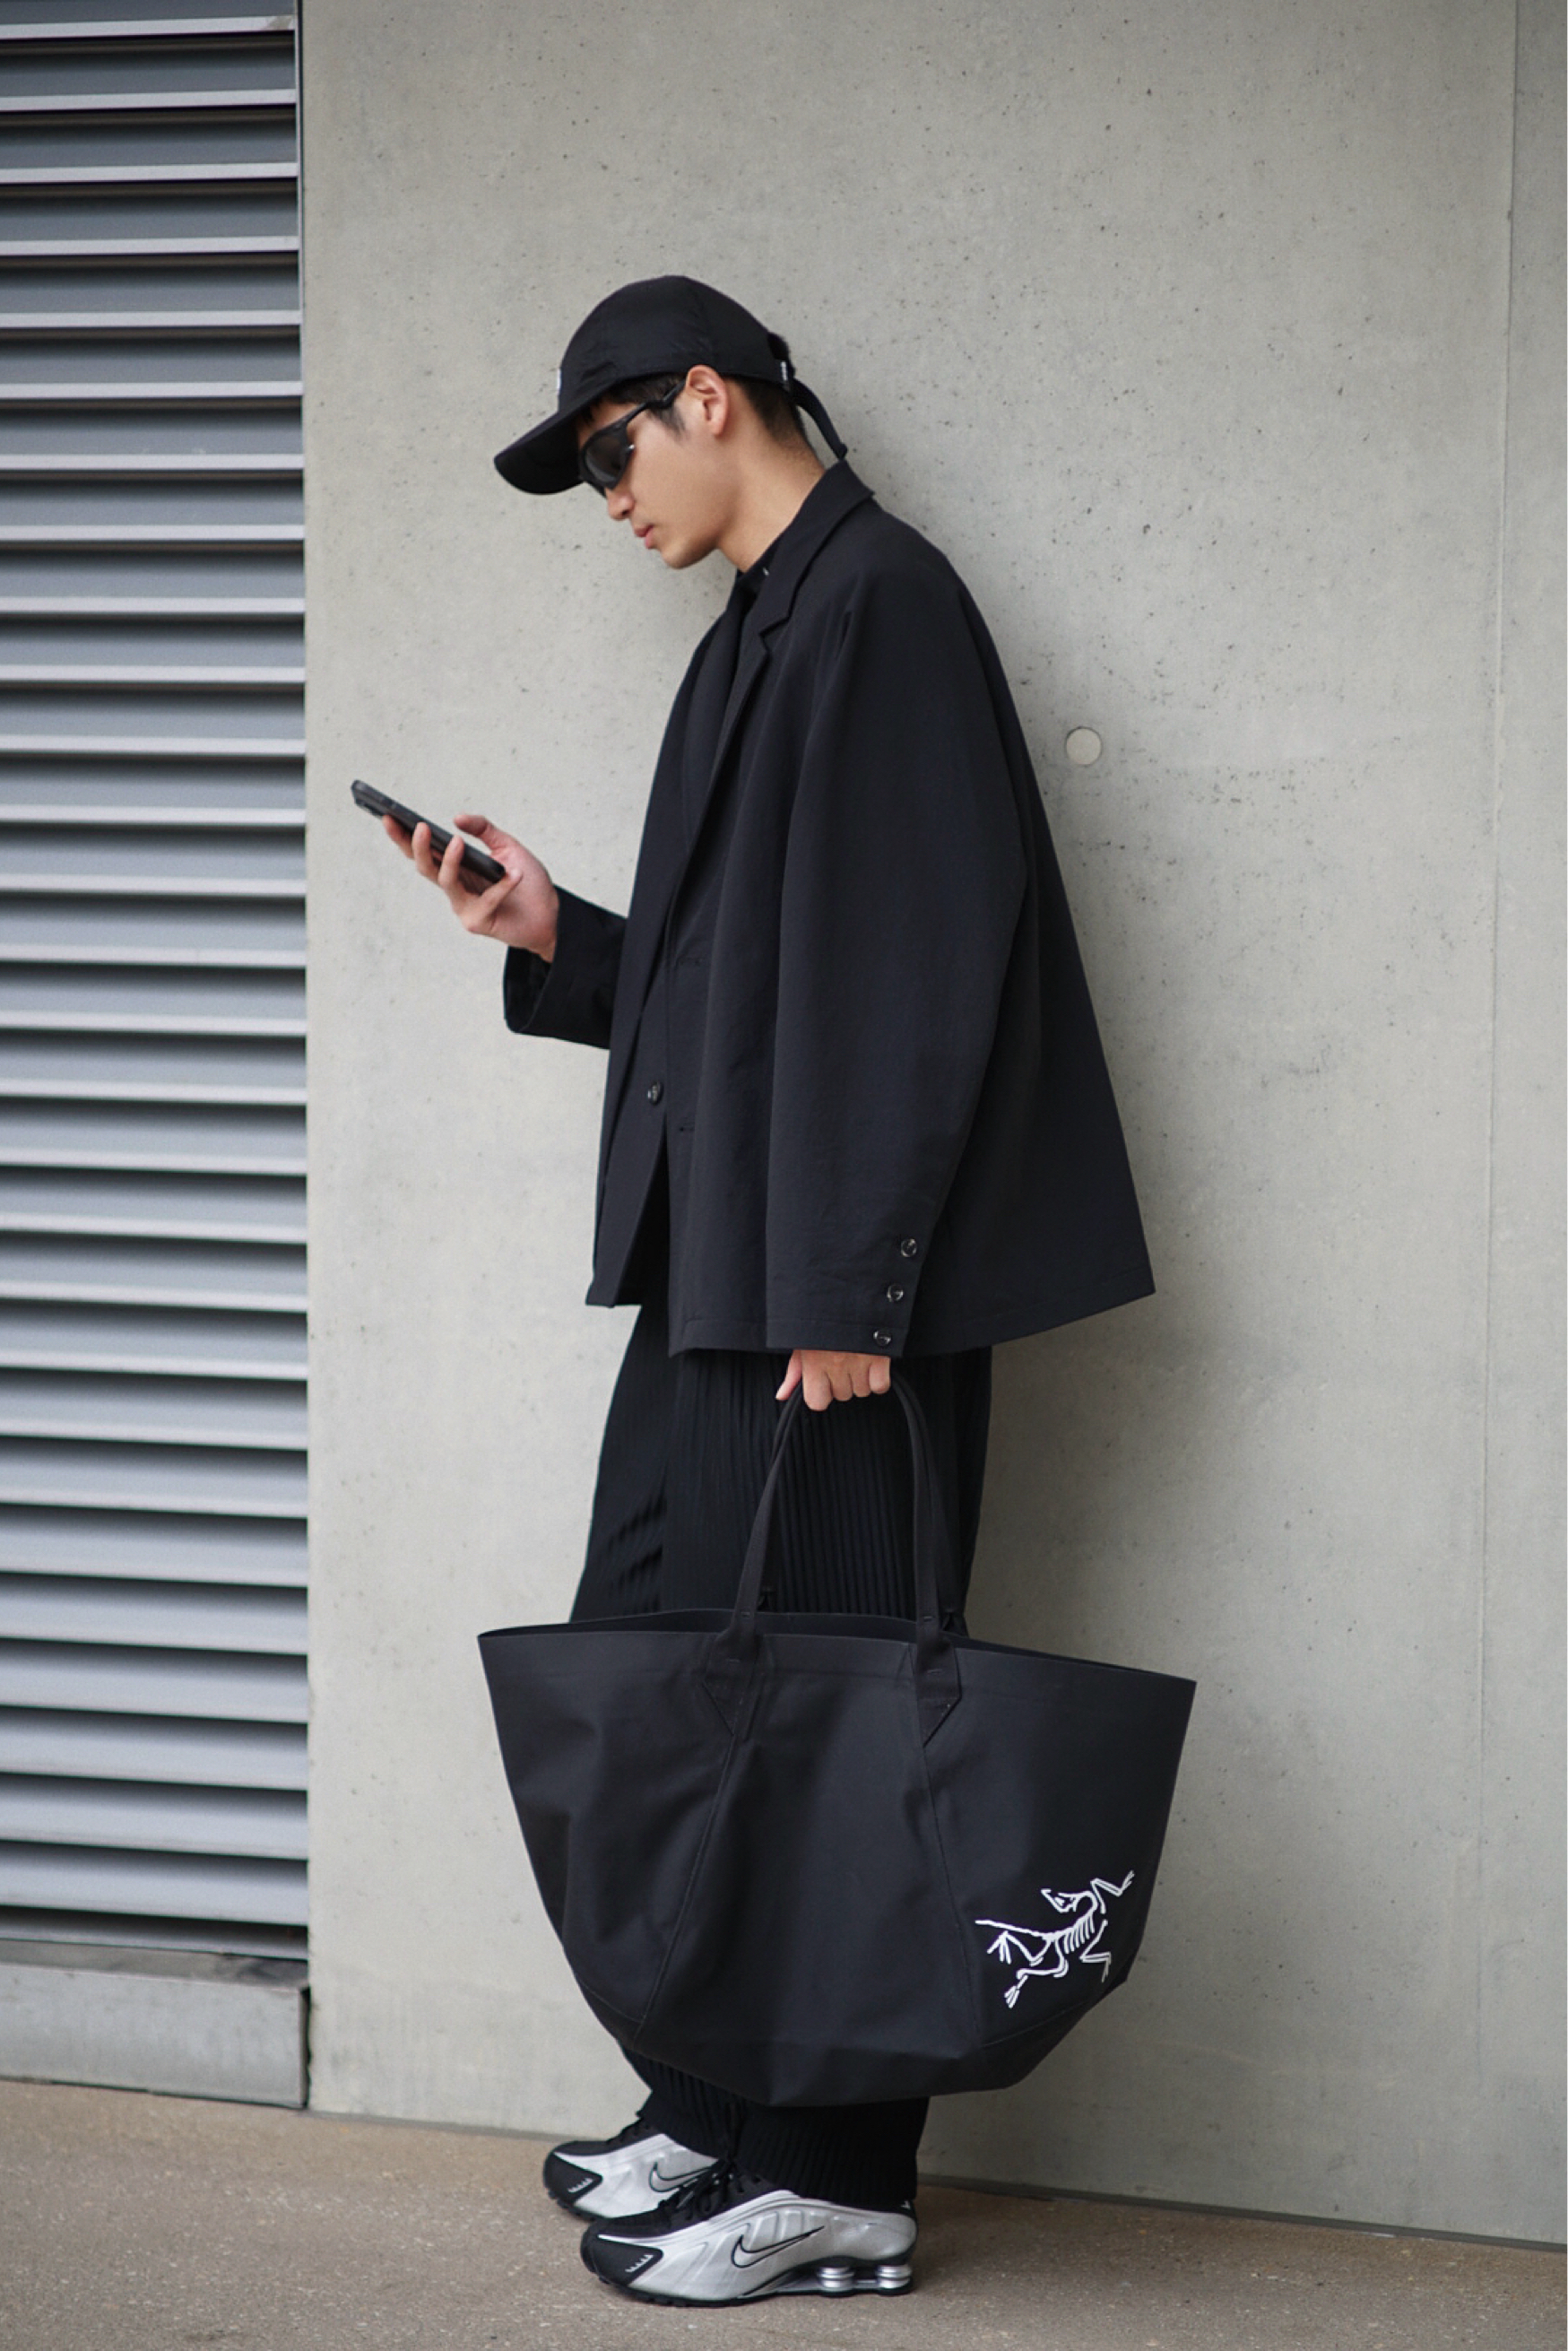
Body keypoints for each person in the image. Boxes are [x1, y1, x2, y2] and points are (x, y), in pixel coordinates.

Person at [386, 274, 1153, 2307]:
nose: (607, 498)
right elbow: (746, 986)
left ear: (708, 396)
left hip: (826, 1301)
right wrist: (559, 935)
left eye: (610, 451)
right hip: (728, 1273)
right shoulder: (765, 628)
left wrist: (852, 1291)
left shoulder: (883, 607)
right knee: (685, 1676)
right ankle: (718, 2098)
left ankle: (833, 2176)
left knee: (822, 1717)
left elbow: (917, 979)